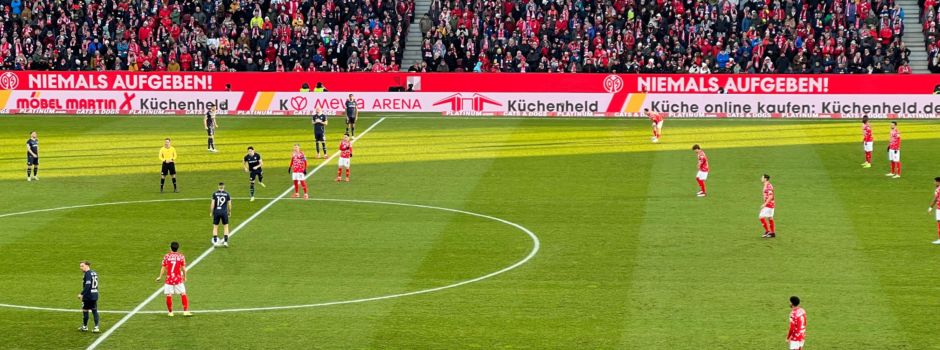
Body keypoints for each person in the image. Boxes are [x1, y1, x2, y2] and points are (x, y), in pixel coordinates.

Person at [155, 241, 191, 317]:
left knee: (169, 295)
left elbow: (163, 267)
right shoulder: (181, 256)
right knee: (183, 293)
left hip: (169, 279)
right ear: (178, 248)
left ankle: (170, 312)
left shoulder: (167, 256)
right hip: (178, 279)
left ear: (170, 248)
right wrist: (185, 277)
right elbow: (184, 269)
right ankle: (185, 311)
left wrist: (160, 277)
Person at [78, 261, 100, 333]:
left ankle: (85, 327)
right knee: (94, 310)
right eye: (80, 266)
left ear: (87, 266)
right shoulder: (94, 272)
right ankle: (96, 327)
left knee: (85, 310)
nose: (81, 268)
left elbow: (87, 285)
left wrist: (81, 294)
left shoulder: (87, 273)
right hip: (95, 294)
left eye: (82, 266)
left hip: (88, 295)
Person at [210, 183, 232, 247]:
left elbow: (212, 204)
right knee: (225, 226)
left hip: (216, 212)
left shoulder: (215, 194)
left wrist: (211, 212)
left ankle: (215, 242)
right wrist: (229, 211)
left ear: (218, 186)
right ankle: (225, 242)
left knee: (215, 227)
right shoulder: (227, 194)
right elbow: (229, 204)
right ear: (224, 186)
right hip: (224, 212)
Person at [927, 177, 940, 244]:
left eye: (935, 181)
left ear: (938, 182)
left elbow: (935, 199)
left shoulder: (938, 189)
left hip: (939, 209)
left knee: (939, 224)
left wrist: (930, 208)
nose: (934, 183)